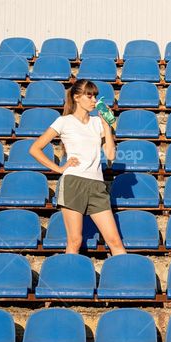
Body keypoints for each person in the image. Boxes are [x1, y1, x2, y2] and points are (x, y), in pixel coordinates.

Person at [30, 79, 126, 255]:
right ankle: (67, 281)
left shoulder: (98, 122)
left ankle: (127, 282)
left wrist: (107, 126)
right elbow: (35, 149)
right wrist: (58, 168)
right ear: (76, 97)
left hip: (97, 186)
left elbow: (111, 155)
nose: (93, 100)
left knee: (114, 241)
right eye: (89, 96)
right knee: (75, 241)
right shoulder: (63, 121)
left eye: (95, 96)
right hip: (73, 183)